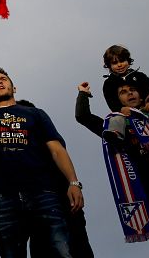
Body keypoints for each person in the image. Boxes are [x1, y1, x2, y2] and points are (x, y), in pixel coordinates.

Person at [0, 51, 84, 257]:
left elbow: (56, 149)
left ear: (14, 87)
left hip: (43, 194)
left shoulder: (35, 114)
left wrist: (73, 183)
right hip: (4, 199)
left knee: (60, 252)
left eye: (3, 79)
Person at [75, 81, 149, 256]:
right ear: (118, 99)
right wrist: (83, 94)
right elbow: (83, 117)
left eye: (133, 90)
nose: (129, 93)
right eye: (123, 92)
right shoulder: (118, 125)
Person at [13, 99, 94, 258]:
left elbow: (60, 155)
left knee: (77, 247)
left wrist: (74, 183)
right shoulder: (16, 150)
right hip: (37, 216)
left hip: (64, 206)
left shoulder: (51, 144)